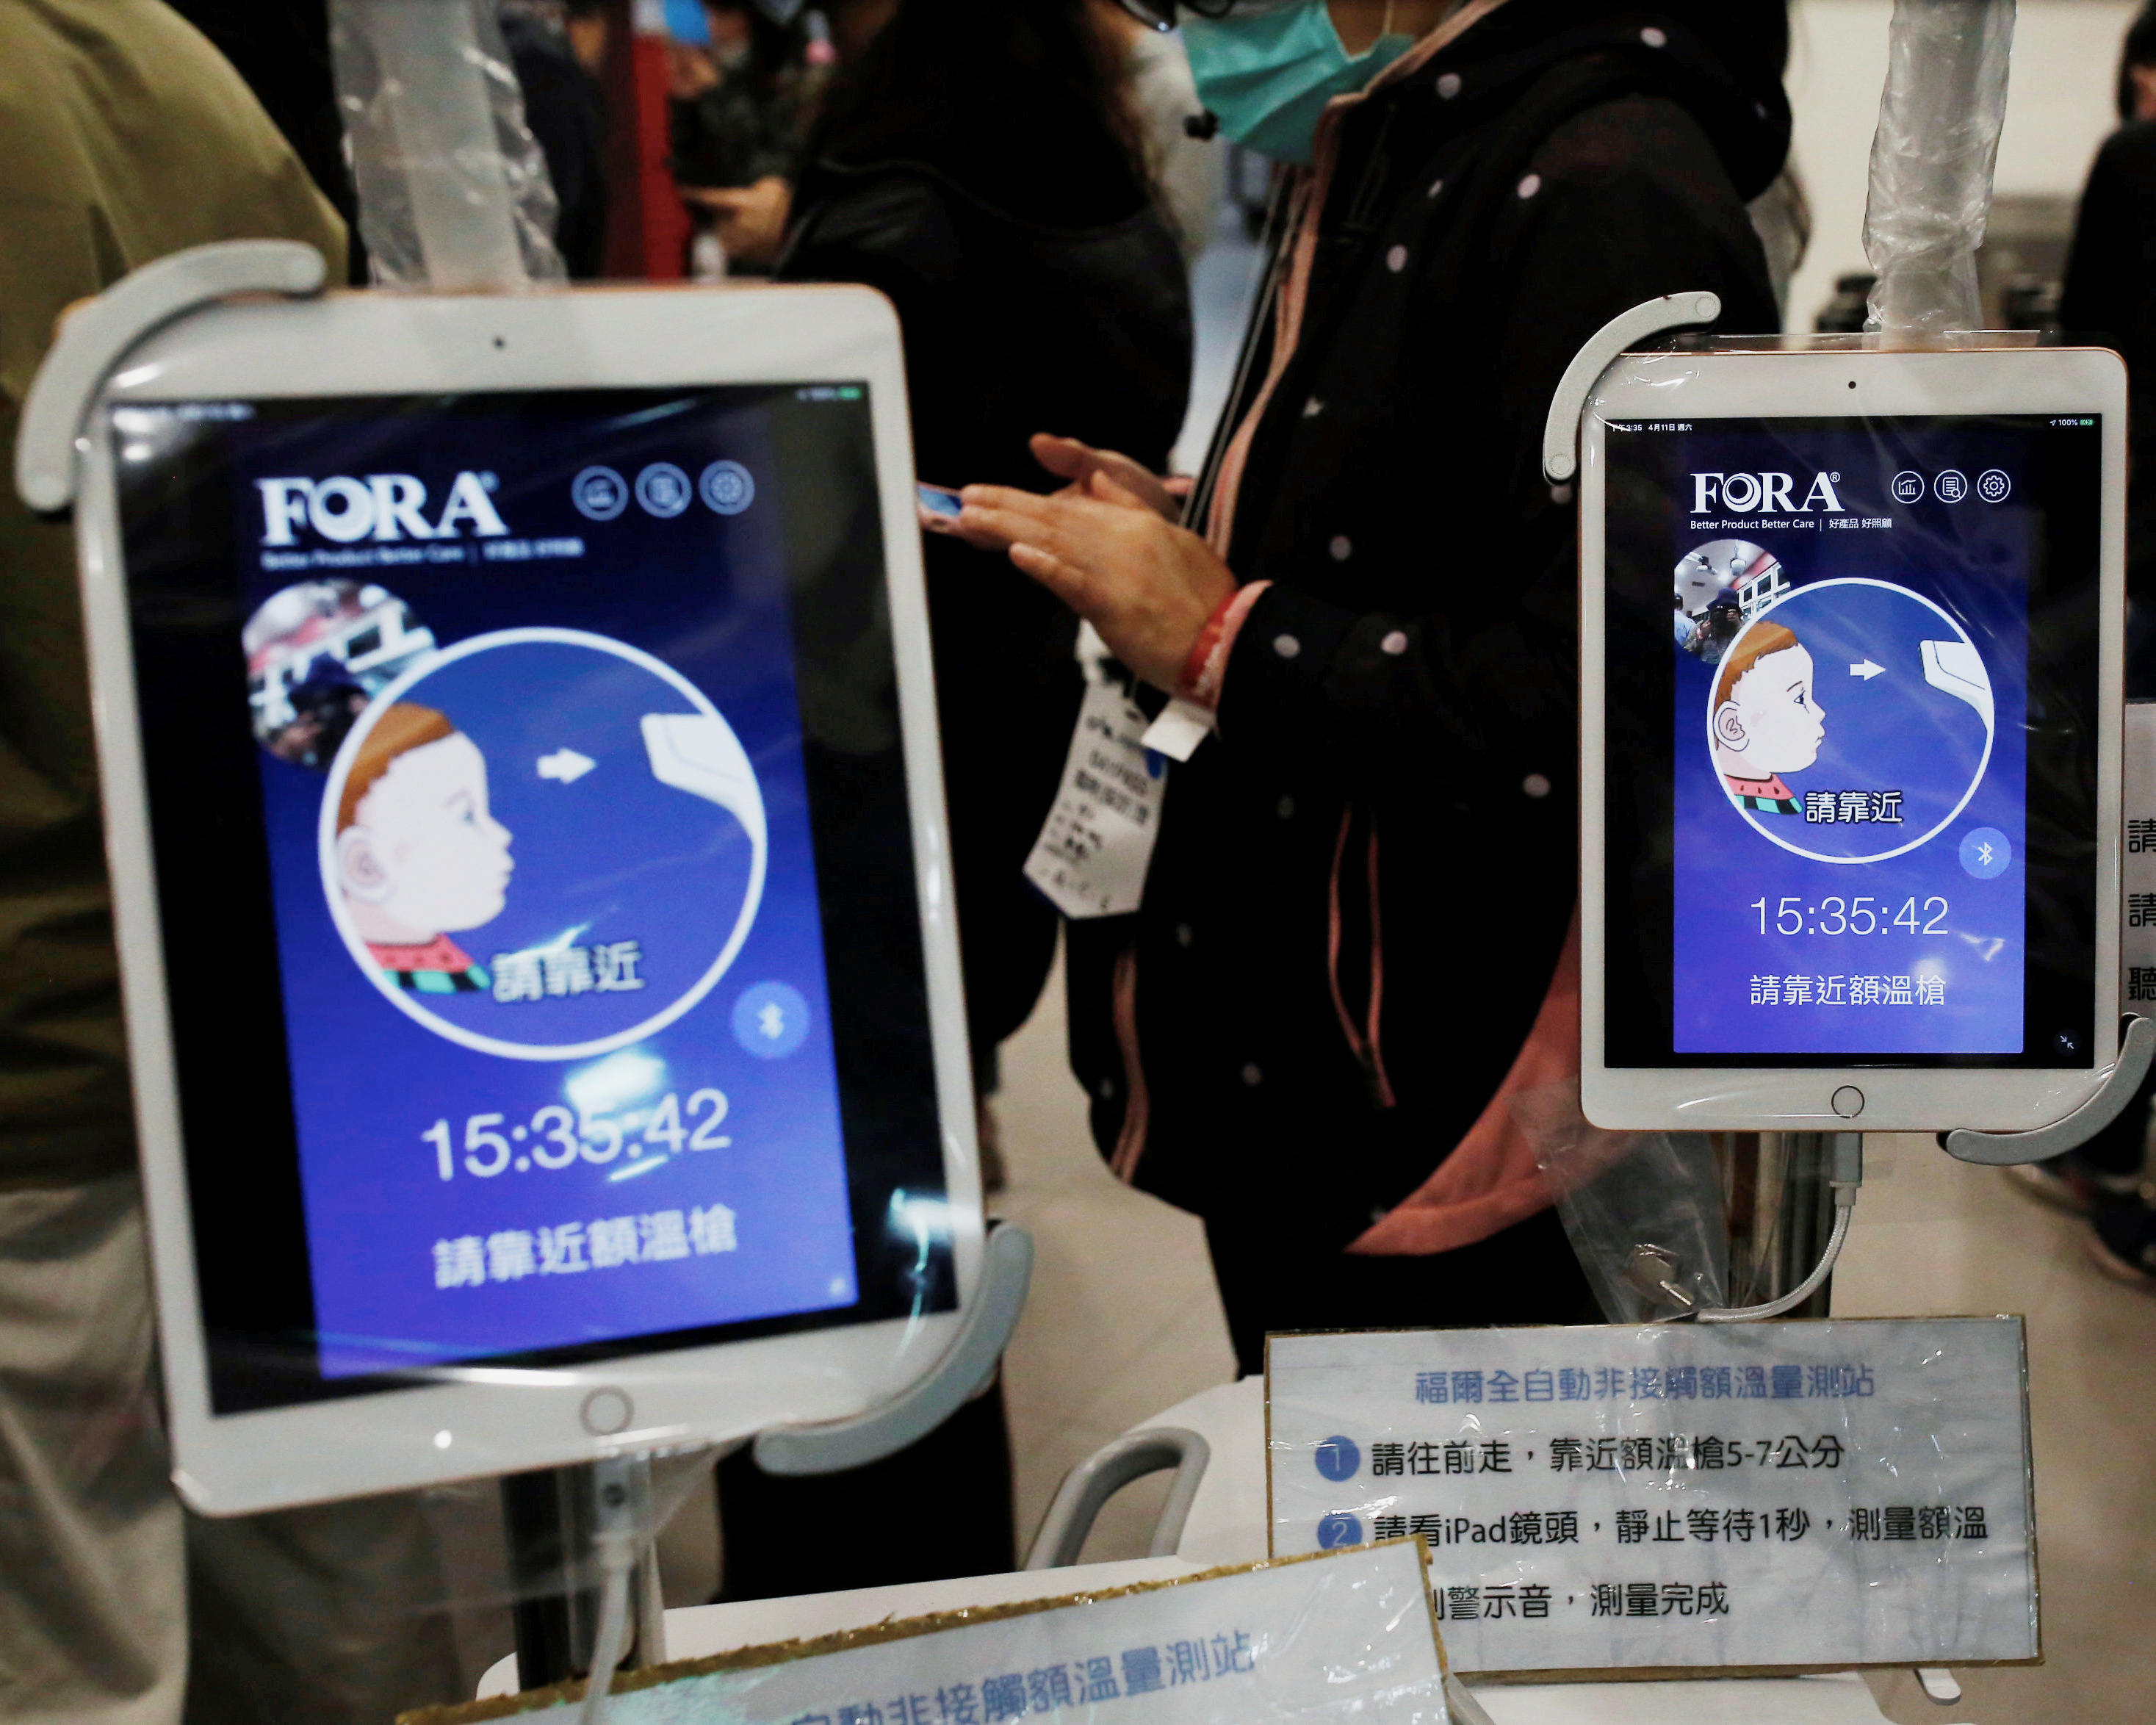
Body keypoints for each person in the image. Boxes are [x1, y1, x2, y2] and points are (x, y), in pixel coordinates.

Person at [953, 0, 1789, 1371]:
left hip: (1441, 1082)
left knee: (1438, 1558)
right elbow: (1435, 528)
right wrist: (1195, 529)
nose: (1202, 24)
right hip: (1325, 1052)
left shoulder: (1603, 182)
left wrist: (1226, 628)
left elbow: (1631, 697)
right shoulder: (1417, 137)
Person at [0, 8, 478, 1725]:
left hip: (34, 1094)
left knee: (68, 1668)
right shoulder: (160, 54)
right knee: (343, 1645)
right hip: (270, 1041)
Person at [707, 0, 1192, 1596]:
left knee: (832, 1206)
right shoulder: (1115, 206)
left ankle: (839, 1604)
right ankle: (929, 1582)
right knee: (915, 1169)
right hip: (1030, 738)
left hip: (859, 756)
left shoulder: (894, 226)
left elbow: (802, 535)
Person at [2021, 0, 2156, 1286]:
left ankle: (2104, 1151)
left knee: (2117, 870)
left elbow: (2088, 363)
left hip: (2140, 579)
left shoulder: (2134, 163)